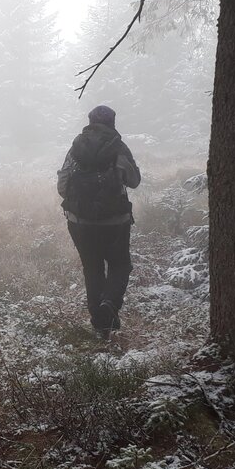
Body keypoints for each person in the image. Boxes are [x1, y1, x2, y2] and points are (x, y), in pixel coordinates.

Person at [57, 105, 141, 337]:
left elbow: (62, 184)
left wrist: (80, 204)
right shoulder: (119, 147)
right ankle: (109, 305)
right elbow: (134, 181)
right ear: (113, 122)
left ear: (90, 121)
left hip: (79, 222)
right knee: (120, 264)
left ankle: (100, 326)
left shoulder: (76, 147)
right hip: (116, 221)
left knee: (92, 269)